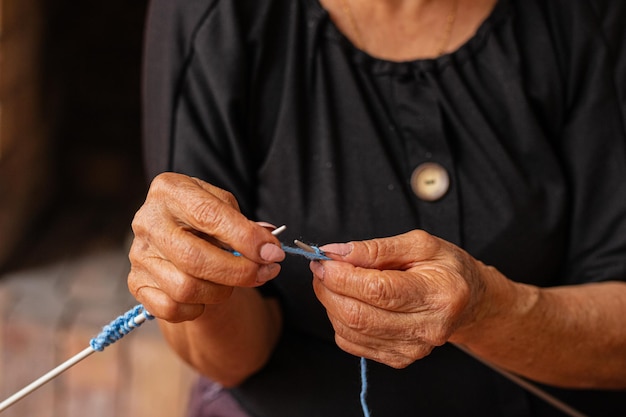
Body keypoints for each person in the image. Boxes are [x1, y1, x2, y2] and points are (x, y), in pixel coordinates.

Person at [128, 0, 626, 415]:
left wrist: (488, 311)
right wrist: (201, 275)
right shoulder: (215, 16)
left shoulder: (586, 19)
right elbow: (228, 357)